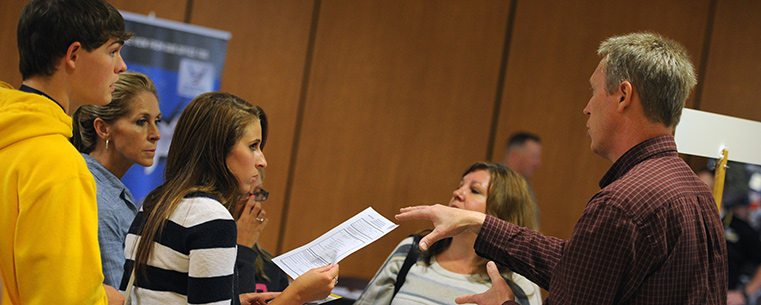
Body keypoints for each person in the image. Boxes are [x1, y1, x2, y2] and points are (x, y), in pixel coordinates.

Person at [396, 32, 727, 304]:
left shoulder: (622, 204)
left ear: (623, 95)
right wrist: (478, 222)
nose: (586, 108)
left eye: (594, 91)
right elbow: (581, 266)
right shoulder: (697, 193)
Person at [119, 92, 339, 305]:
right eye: (253, 146)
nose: (262, 160)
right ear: (218, 150)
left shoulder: (155, 201)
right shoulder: (211, 217)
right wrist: (296, 296)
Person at [0, 0, 132, 304]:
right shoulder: (59, 166)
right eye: (112, 51)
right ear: (73, 55)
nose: (121, 66)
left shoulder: (13, 139)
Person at [356, 161, 542, 305]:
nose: (457, 193)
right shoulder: (413, 251)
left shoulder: (517, 282)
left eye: (474, 190)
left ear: (501, 212)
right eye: (460, 186)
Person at [71, 72, 162, 288]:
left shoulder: (107, 188)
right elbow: (121, 296)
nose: (156, 134)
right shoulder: (98, 198)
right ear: (103, 129)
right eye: (142, 121)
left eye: (156, 120)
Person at [235, 168, 290, 293]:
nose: (255, 206)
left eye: (258, 193)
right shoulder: (203, 256)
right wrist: (242, 248)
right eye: (243, 195)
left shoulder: (272, 269)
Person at [502, 132, 542, 229]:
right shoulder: (495, 183)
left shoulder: (526, 186)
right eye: (534, 157)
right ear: (514, 156)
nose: (538, 163)